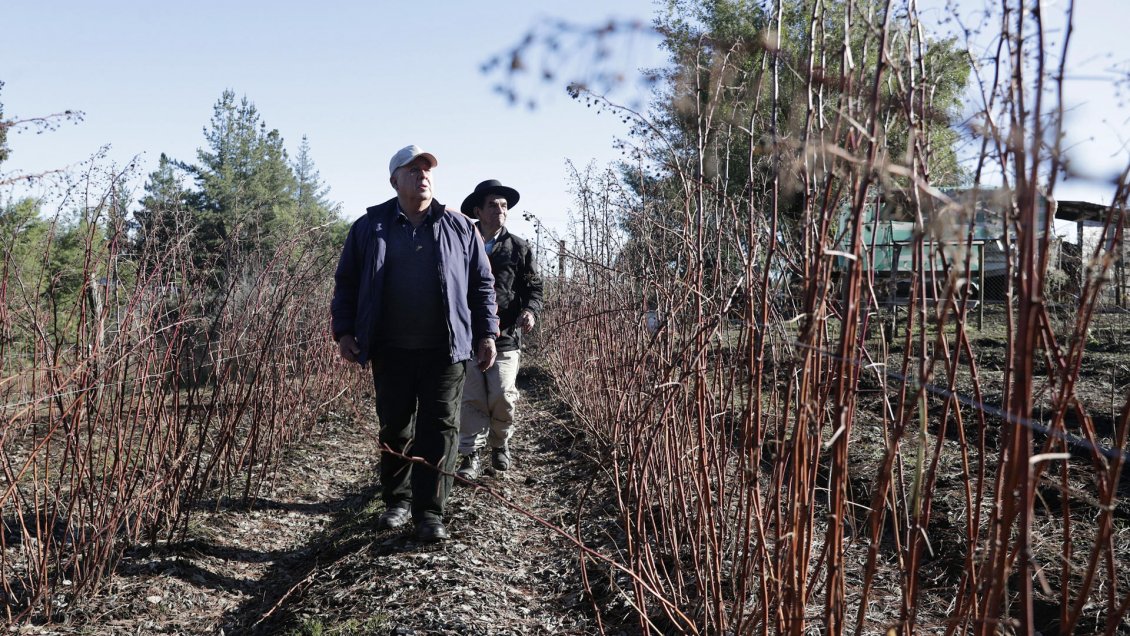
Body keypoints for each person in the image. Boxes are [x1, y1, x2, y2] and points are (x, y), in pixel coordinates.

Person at [331, 145, 499, 543]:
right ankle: (397, 501)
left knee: (439, 429)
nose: (422, 175)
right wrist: (344, 331)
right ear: (395, 180)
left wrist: (487, 332)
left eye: (427, 169)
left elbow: (482, 284)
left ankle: (430, 512)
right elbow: (347, 283)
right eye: (413, 169)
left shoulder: (460, 227)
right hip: (390, 348)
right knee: (395, 426)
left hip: (446, 350)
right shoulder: (369, 227)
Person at [455, 179, 544, 480]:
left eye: (504, 205)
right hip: (465, 335)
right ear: (478, 210)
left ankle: (500, 445)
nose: (500, 210)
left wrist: (530, 311)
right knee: (472, 397)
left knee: (503, 394)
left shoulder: (519, 248)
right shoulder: (462, 245)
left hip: (506, 337)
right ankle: (471, 455)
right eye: (493, 204)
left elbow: (534, 288)